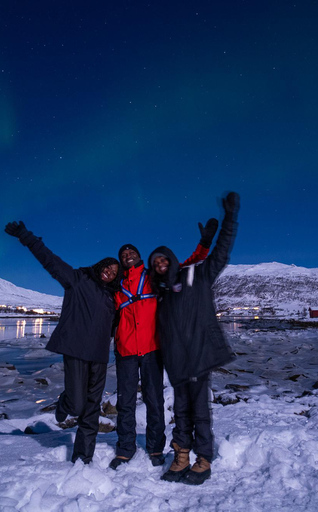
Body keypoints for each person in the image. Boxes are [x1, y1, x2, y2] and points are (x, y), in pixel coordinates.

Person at [5, 220, 119, 464]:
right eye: (108, 267)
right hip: (76, 351)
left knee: (91, 410)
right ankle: (65, 400)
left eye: (114, 272)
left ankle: (82, 459)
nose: (110, 272)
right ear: (101, 265)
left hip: (99, 357)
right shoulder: (79, 279)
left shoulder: (112, 297)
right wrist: (26, 236)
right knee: (78, 406)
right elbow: (50, 261)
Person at [109, 220, 218, 470]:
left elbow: (189, 263)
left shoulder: (152, 278)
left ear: (138, 256)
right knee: (125, 403)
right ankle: (125, 449)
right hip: (125, 351)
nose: (127, 256)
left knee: (155, 401)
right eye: (123, 254)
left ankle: (156, 447)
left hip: (152, 349)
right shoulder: (117, 288)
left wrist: (205, 243)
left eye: (131, 252)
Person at [147, 192, 239, 485]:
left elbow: (222, 253)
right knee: (181, 411)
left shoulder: (196, 276)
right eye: (155, 262)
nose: (161, 264)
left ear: (172, 260)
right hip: (176, 362)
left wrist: (230, 217)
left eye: (164, 259)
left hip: (199, 356)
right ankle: (181, 455)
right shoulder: (159, 294)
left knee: (200, 411)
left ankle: (204, 459)